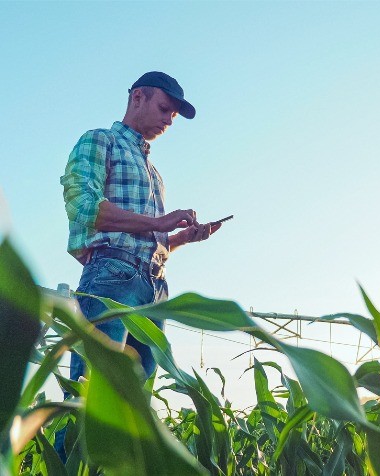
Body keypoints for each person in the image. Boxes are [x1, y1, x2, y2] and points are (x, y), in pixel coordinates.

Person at [56, 72, 220, 458]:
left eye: (174, 116)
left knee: (132, 413)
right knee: (91, 399)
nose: (168, 120)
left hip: (153, 286)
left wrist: (178, 239)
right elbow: (83, 208)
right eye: (165, 109)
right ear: (137, 98)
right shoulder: (101, 141)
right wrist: (159, 223)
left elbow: (147, 241)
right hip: (111, 277)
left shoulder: (154, 173)